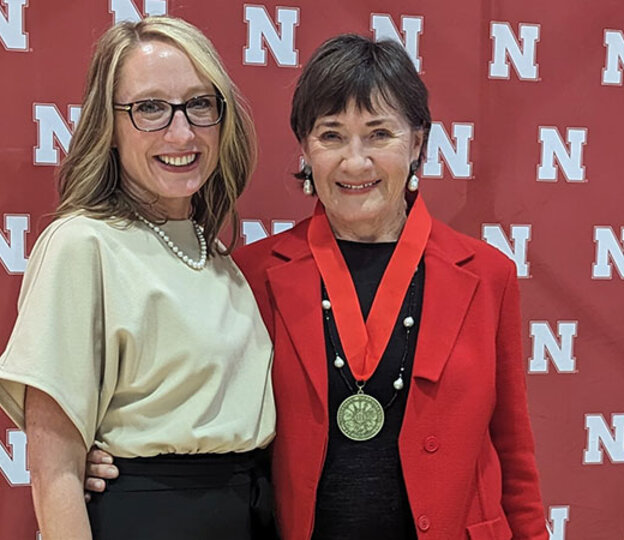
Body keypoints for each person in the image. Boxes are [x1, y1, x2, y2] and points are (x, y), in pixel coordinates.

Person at [86, 34, 548, 539]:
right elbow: (206, 413)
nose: (355, 162)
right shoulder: (252, 274)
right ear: (305, 147)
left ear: (416, 143)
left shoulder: (486, 275)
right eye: (331, 136)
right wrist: (115, 460)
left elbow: (514, 455)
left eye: (379, 135)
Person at [0, 17, 275, 540]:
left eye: (199, 105)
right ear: (109, 127)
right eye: (149, 108)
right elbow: (55, 474)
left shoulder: (219, 258)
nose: (182, 132)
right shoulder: (81, 245)